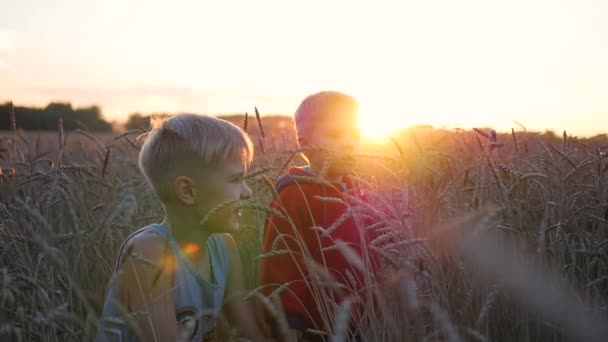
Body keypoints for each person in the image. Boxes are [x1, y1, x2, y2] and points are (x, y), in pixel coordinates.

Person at [97, 113, 270, 341]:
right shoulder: (148, 251)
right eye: (235, 180)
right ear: (188, 191)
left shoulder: (224, 248)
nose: (247, 193)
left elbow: (249, 334)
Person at [260, 91, 378, 341]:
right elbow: (280, 265)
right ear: (304, 145)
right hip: (316, 326)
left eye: (355, 135)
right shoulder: (295, 197)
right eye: (335, 134)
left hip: (365, 321)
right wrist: (289, 321)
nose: (348, 143)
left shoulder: (359, 192)